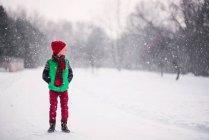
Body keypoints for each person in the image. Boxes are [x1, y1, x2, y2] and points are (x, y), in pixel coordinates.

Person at [42, 40, 73, 133]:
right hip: (53, 89)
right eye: (64, 49)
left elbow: (71, 74)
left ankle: (64, 125)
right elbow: (44, 75)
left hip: (64, 89)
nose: (66, 51)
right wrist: (50, 82)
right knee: (53, 107)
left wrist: (67, 82)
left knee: (64, 107)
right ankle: (52, 125)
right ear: (59, 50)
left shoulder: (66, 62)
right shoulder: (50, 62)